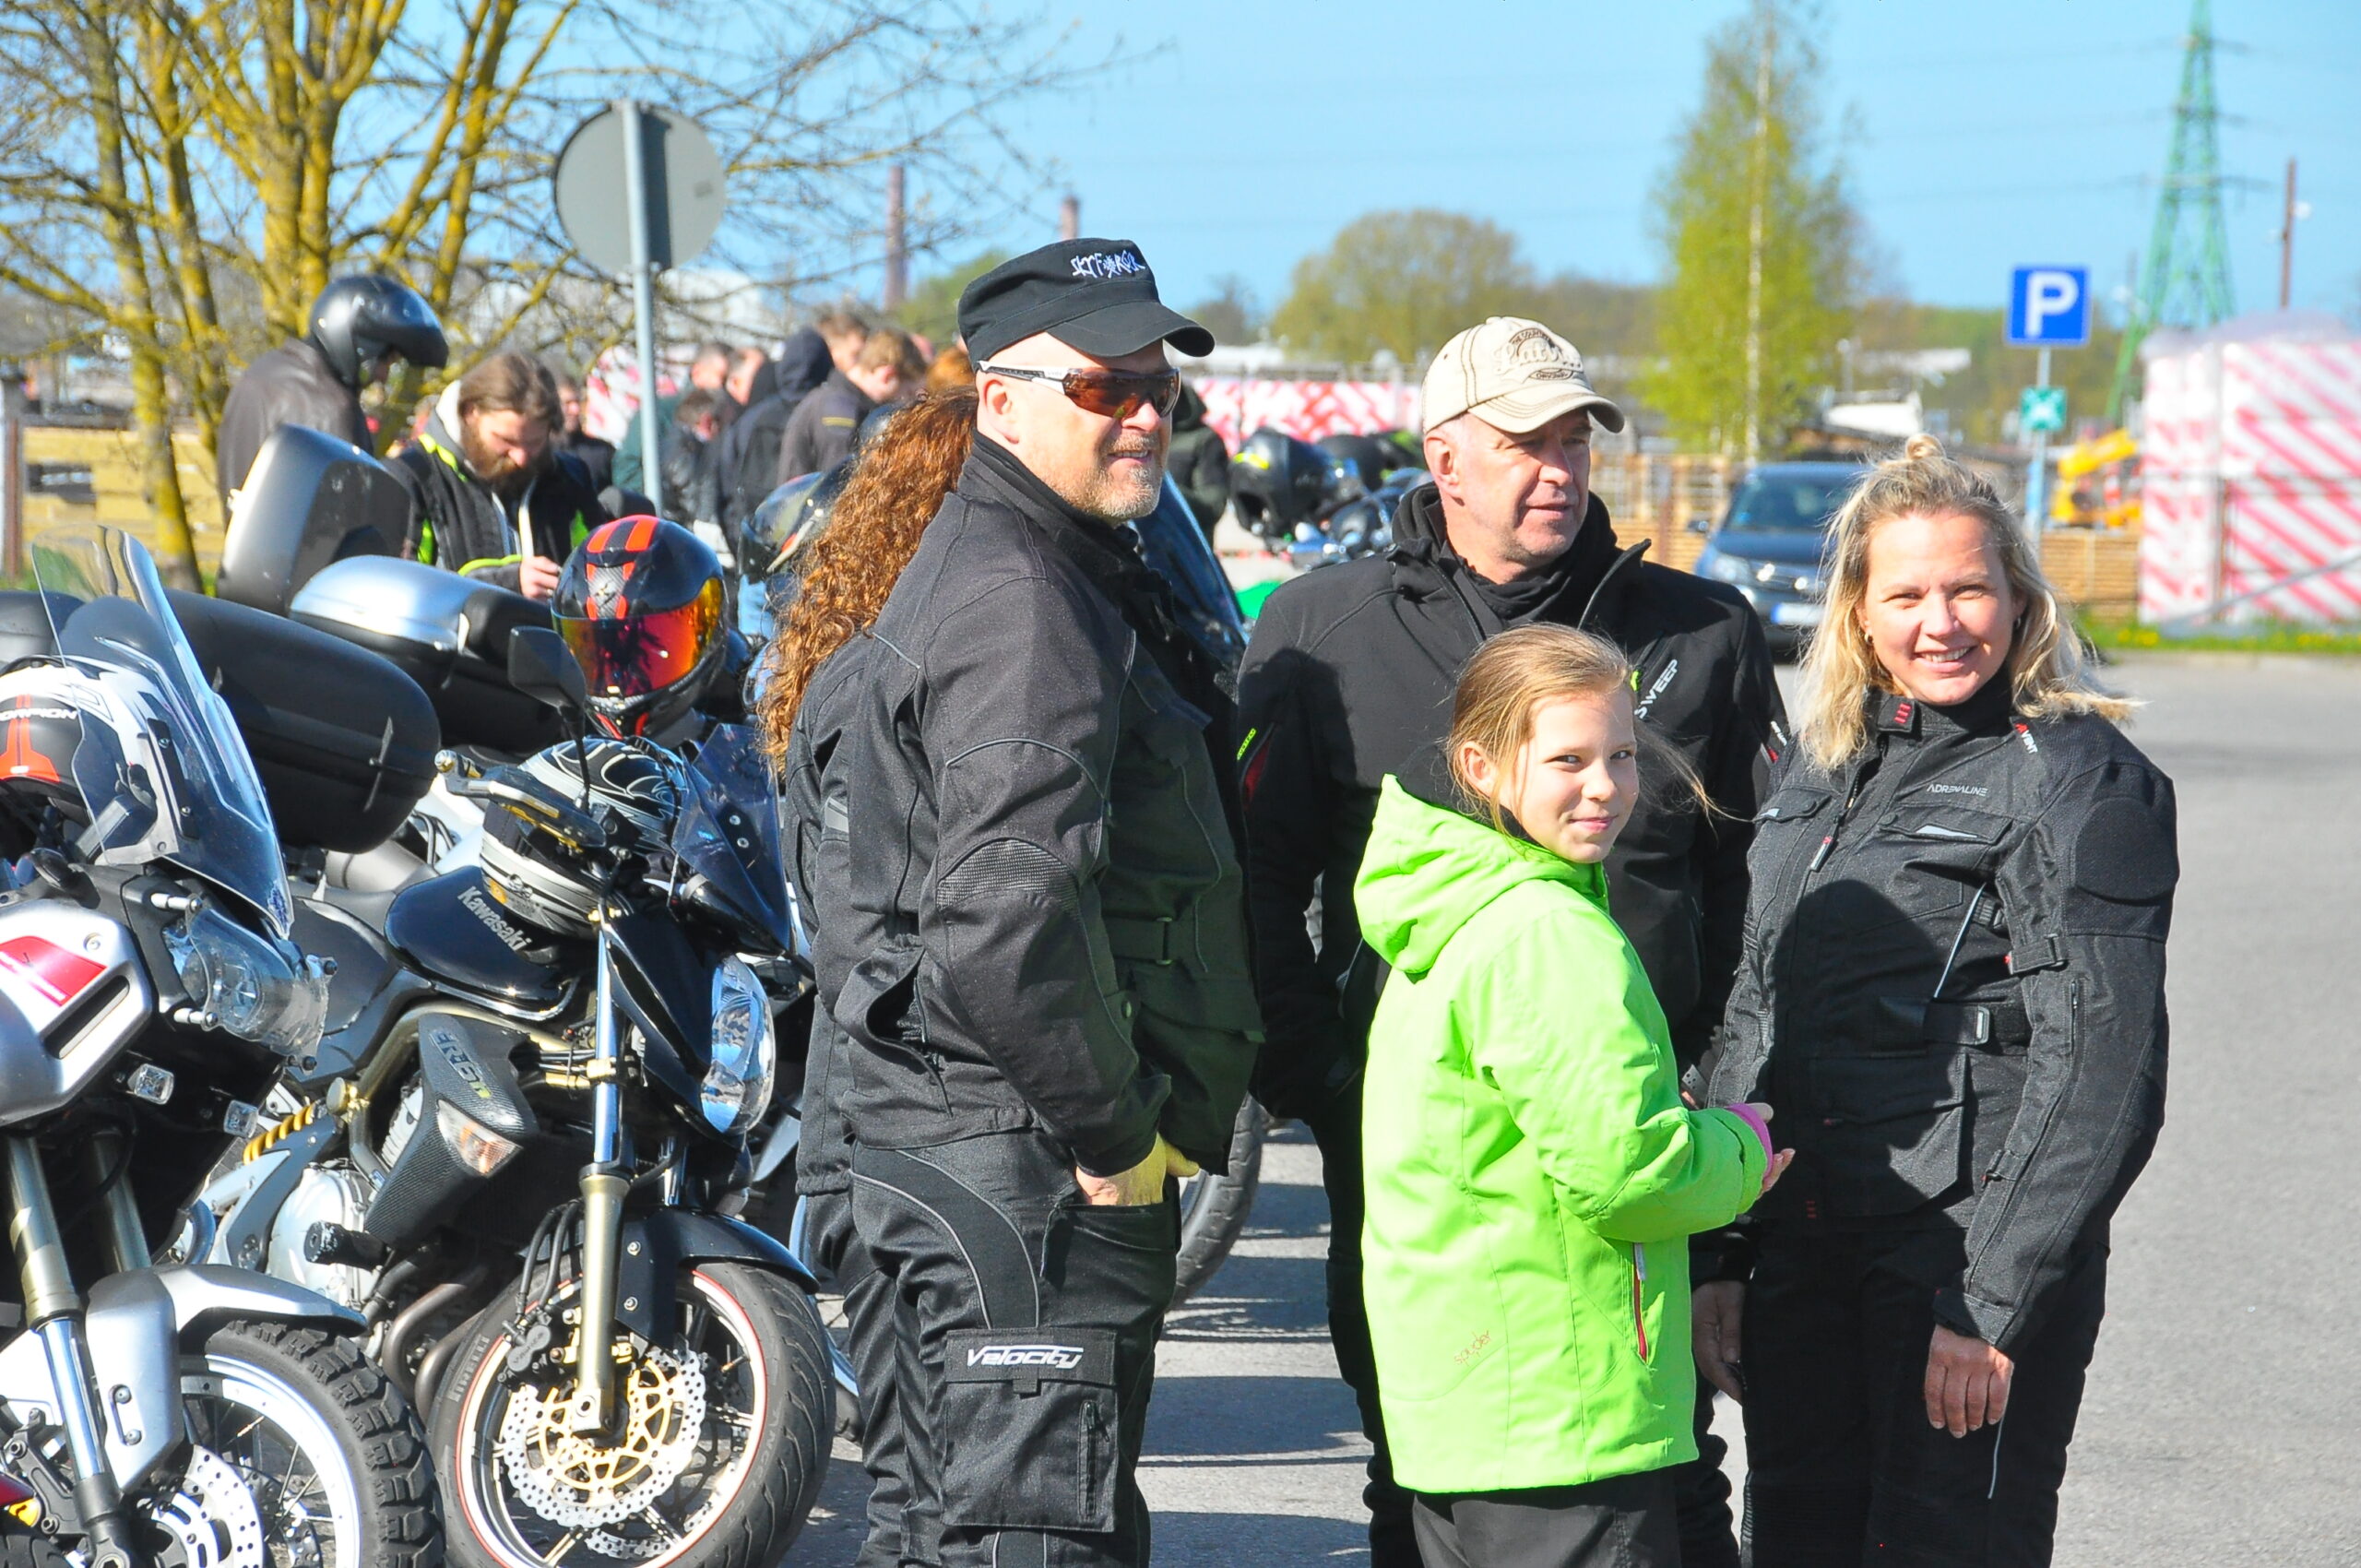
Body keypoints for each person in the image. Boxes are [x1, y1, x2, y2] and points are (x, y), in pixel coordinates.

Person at [1235, 315, 1785, 1568]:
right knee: (1418, 1476)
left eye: (1575, 441)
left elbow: (1760, 889)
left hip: (1655, 1139)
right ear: (1445, 456)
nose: (1559, 468)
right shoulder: (1324, 630)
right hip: (1421, 1161)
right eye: (1525, 442)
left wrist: (1716, 1106)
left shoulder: (1702, 631)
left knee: (1666, 1483)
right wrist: (1327, 1081)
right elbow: (1253, 881)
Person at [834, 237, 1258, 1568]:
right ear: (1001, 401)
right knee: (1031, 1547)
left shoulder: (1023, 560)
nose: (1142, 415)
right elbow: (999, 915)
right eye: (1103, 387)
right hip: (1018, 1173)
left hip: (947, 1149)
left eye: (1159, 389)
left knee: (936, 1535)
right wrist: (1114, 1130)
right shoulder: (1024, 600)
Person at [1701, 435, 2176, 1566]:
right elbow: (1751, 1006)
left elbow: (2101, 1068)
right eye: (1906, 595)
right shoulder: (1822, 763)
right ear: (1859, 614)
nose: (1940, 622)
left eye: (1968, 589)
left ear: (2019, 598)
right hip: (1803, 1252)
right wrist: (1720, 1248)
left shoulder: (2080, 778)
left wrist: (1990, 1302)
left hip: (1958, 1264)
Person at [1357, 624, 1787, 1568]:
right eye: (1567, 759)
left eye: (1622, 754)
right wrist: (1740, 1149)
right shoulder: (1548, 933)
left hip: (1469, 1405)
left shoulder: (1444, 908)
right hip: (1566, 1413)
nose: (1605, 786)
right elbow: (1631, 1176)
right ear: (1480, 766)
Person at [762, 386, 979, 1568]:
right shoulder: (879, 682)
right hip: (891, 1126)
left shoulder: (887, 656)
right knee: (918, 1502)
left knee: (936, 1489)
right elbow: (863, 940)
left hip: (886, 1124)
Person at [391, 351, 608, 600]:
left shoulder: (570, 476)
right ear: (471, 413)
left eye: (534, 442)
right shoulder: (414, 476)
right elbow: (401, 590)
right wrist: (505, 585)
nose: (521, 457)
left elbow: (597, 578)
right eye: (506, 440)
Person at [215, 274, 447, 504]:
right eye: (385, 360)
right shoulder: (330, 408)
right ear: (359, 343)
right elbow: (351, 511)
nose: (382, 376)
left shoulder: (262, 372)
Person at [718, 320, 851, 532]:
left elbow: (728, 485)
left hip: (758, 532)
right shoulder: (830, 414)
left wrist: (744, 540)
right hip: (812, 534)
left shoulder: (753, 418)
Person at [776, 326, 921, 484]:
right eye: (908, 392)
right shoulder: (840, 411)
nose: (906, 402)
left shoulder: (842, 401)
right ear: (887, 376)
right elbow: (838, 487)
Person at [614, 338, 731, 492]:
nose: (729, 387)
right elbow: (627, 474)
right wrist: (671, 494)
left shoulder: (734, 420)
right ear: (697, 373)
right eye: (723, 378)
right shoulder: (658, 414)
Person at [1165, 379, 1230, 538]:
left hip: (1183, 544)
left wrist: (1161, 493)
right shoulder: (1142, 435)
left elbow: (1213, 505)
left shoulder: (1204, 440)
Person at [553, 369, 615, 493]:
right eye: (567, 403)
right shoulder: (539, 454)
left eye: (578, 402)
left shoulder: (603, 453)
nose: (576, 410)